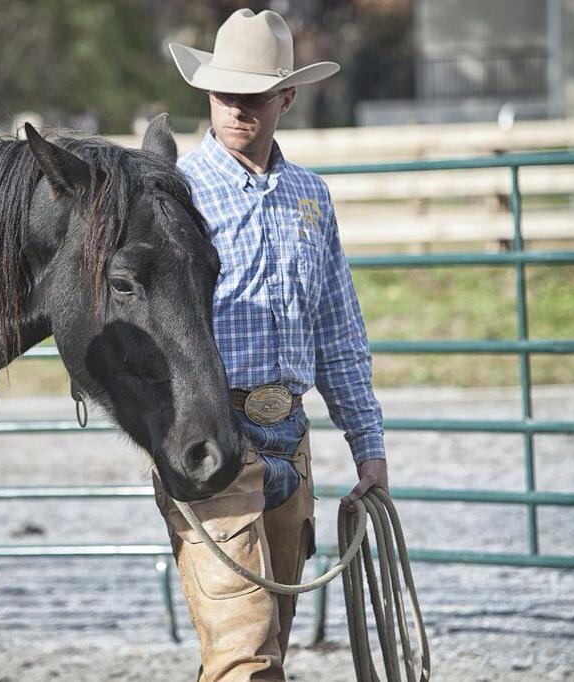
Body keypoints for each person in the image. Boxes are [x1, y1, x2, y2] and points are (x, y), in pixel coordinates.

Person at [153, 8, 388, 681]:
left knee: (268, 643)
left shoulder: (312, 199)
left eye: (253, 96)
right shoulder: (178, 195)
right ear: (207, 93)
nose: (236, 109)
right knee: (245, 656)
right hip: (209, 435)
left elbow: (338, 328)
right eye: (225, 93)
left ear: (286, 97)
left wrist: (367, 444)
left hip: (289, 429)